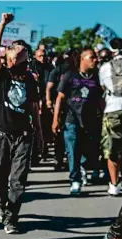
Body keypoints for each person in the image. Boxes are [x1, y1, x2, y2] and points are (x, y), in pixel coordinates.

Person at [0, 13, 43, 234]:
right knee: (0, 175)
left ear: (25, 57)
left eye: (20, 54)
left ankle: (12, 218)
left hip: (23, 135)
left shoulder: (31, 80)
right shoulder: (4, 75)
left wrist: (39, 134)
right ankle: (1, 205)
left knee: (18, 179)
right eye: (12, 55)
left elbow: (33, 109)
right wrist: (3, 24)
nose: (15, 58)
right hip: (2, 134)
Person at [52, 48, 104, 195]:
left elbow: (100, 100)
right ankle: (75, 180)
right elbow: (60, 98)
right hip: (71, 120)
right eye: (92, 57)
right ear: (83, 59)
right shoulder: (70, 76)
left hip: (91, 121)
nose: (95, 60)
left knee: (90, 151)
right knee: (72, 150)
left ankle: (82, 167)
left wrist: (106, 114)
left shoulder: (96, 78)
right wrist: (55, 120)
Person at [99, 38, 122, 195]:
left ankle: (114, 184)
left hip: (112, 108)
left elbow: (102, 87)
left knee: (111, 149)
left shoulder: (105, 67)